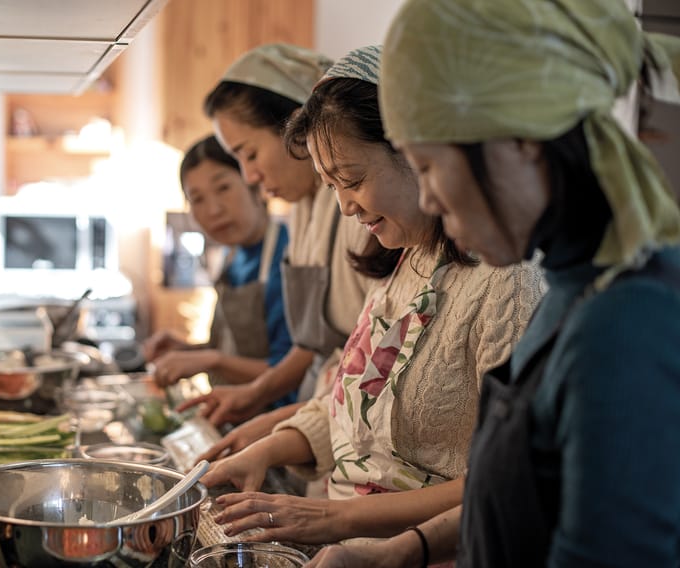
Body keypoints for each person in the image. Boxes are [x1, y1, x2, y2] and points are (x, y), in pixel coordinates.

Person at [307, 1, 680, 566]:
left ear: (521, 141)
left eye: (430, 166)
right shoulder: (569, 284)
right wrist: (407, 550)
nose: (428, 197)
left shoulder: (622, 325)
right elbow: (525, 499)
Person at [197, 45, 544, 546]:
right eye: (330, 184)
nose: (344, 207)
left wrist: (332, 520)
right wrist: (268, 449)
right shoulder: (403, 258)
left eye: (353, 180)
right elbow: (349, 402)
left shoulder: (509, 280)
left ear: (420, 155)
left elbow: (504, 484)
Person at [178, 44, 376, 431]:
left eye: (249, 154)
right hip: (319, 420)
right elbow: (310, 346)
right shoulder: (304, 208)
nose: (250, 175)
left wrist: (274, 419)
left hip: (347, 424)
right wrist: (256, 398)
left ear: (297, 126)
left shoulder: (360, 213)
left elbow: (369, 359)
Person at [144, 135, 293, 391]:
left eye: (223, 188)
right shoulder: (229, 256)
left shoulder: (290, 255)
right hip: (233, 413)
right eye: (197, 199)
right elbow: (233, 350)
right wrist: (189, 351)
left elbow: (293, 373)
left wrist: (210, 361)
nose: (213, 210)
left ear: (255, 185)